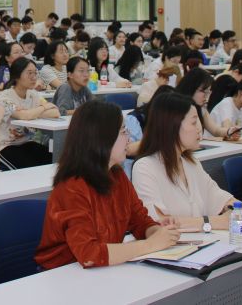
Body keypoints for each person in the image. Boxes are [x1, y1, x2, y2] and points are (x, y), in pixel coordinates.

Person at [36, 100, 179, 269]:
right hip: (64, 274)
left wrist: (158, 233)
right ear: (102, 139)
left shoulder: (117, 175)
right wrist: (150, 245)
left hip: (102, 271)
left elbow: (140, 221)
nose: (129, 138)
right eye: (123, 131)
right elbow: (89, 254)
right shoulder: (72, 187)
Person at [132, 93, 242, 227]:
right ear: (171, 126)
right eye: (194, 122)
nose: (199, 129)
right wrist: (214, 222)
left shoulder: (190, 163)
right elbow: (158, 221)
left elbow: (218, 197)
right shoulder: (145, 167)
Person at [0, 58, 58, 168]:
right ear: (16, 75)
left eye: (35, 73)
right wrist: (42, 107)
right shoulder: (4, 98)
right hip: (6, 146)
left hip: (26, 142)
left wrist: (31, 113)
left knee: (54, 161)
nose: (34, 77)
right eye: (29, 73)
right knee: (33, 168)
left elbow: (55, 112)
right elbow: (23, 116)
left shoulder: (33, 94)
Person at [173, 68, 241, 140]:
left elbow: (215, 130)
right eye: (203, 91)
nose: (206, 96)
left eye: (208, 92)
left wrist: (229, 131)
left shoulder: (201, 108)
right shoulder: (176, 108)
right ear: (190, 87)